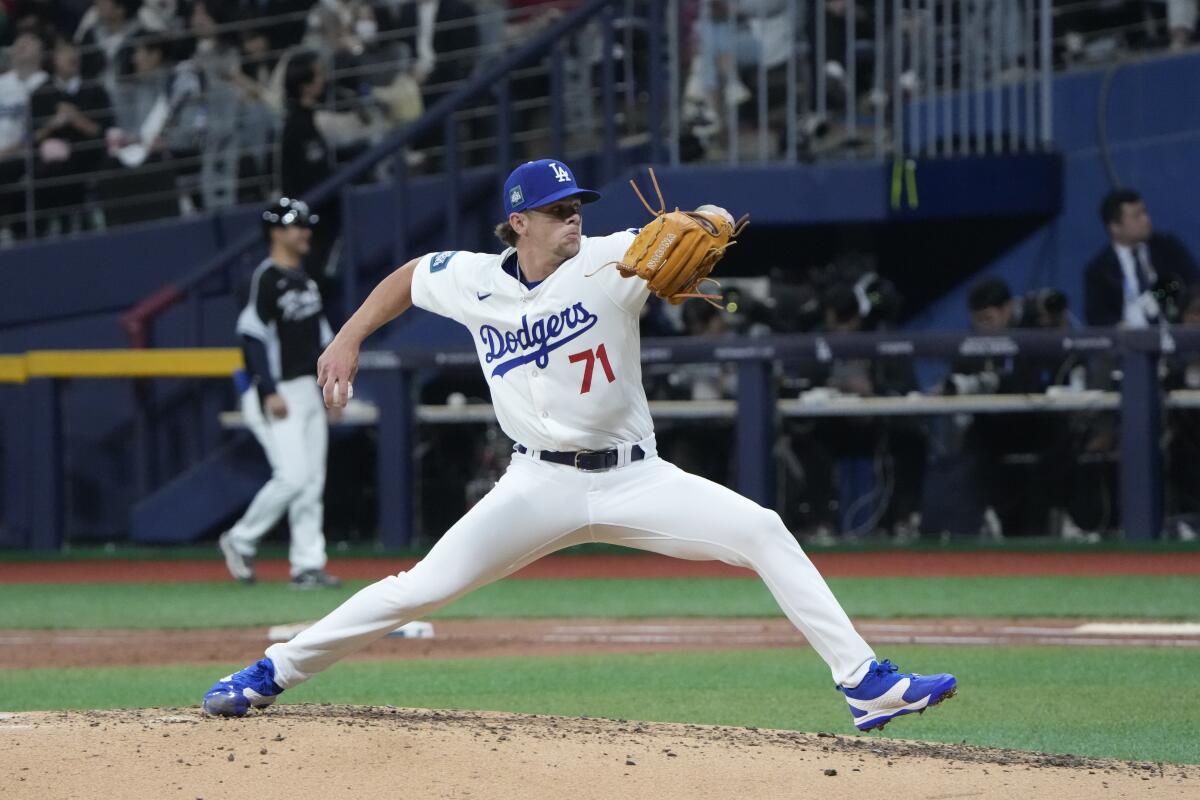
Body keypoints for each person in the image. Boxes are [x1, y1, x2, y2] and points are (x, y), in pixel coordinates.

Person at [202, 159, 957, 731]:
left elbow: (705, 219)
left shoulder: (612, 258)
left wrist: (710, 219)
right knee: (420, 588)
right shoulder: (471, 280)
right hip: (536, 487)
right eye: (559, 212)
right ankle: (269, 673)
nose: (574, 222)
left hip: (636, 479)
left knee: (762, 529)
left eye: (577, 210)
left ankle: (864, 684)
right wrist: (348, 337)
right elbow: (408, 277)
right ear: (519, 222)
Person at [217, 196, 343, 590]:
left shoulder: (305, 280)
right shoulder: (266, 277)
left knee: (312, 482)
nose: (305, 232)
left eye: (306, 225)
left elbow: (325, 340)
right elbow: (251, 335)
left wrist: (332, 390)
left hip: (308, 388)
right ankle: (240, 539)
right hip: (279, 390)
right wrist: (268, 389)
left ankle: (307, 565)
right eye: (296, 225)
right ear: (276, 232)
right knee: (292, 477)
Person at [1084, 188, 1199, 328]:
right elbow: (1097, 317)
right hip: (1127, 344)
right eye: (1136, 216)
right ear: (1115, 227)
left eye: (1144, 212)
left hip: (1174, 337)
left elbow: (1193, 282)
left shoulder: (1168, 249)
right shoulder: (1099, 270)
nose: (1146, 219)